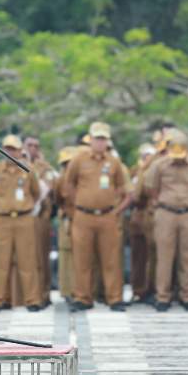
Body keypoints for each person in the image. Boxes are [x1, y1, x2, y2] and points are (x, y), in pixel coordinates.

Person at [64, 122, 131, 312]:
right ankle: (83, 297)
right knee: (82, 259)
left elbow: (123, 188)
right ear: (90, 140)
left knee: (111, 259)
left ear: (107, 141)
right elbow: (68, 185)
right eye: (97, 138)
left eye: (103, 139)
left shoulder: (114, 162)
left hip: (107, 215)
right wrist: (78, 204)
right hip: (83, 216)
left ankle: (114, 298)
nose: (100, 142)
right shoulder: (79, 159)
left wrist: (115, 210)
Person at [145, 130, 188, 312]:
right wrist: (161, 201)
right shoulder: (159, 164)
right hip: (166, 212)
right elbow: (151, 188)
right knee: (164, 256)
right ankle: (162, 296)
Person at [0, 134, 42, 312]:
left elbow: (36, 193)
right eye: (7, 148)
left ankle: (32, 300)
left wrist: (23, 206)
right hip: (2, 219)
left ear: (20, 151)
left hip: (24, 218)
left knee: (27, 260)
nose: (10, 152)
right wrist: (2, 206)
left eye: (14, 149)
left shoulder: (28, 169)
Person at [25, 136, 58, 308]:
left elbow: (52, 187)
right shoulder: (16, 164)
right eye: (29, 145)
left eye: (36, 146)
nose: (32, 148)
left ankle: (43, 295)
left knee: (41, 257)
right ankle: (26, 295)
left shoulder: (46, 168)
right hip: (23, 216)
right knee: (24, 259)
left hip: (41, 217)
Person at [129, 143, 157, 302]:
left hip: (152, 216)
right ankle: (138, 289)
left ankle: (151, 288)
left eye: (150, 156)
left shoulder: (157, 171)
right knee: (138, 256)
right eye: (145, 155)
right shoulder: (135, 171)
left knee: (153, 256)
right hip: (138, 217)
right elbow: (134, 195)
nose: (147, 159)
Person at [53, 146, 78, 302]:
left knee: (82, 255)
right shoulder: (60, 180)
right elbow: (57, 198)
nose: (68, 166)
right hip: (67, 218)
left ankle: (82, 291)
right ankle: (67, 291)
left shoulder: (82, 179)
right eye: (65, 163)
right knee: (66, 254)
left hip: (82, 218)